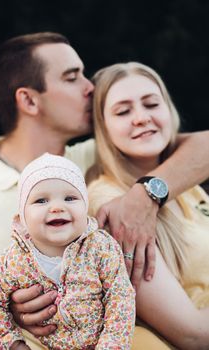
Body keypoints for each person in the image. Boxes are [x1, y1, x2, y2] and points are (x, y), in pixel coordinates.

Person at [0, 32, 209, 350]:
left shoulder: (90, 157)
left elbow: (202, 146)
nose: (90, 87)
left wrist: (146, 194)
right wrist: (5, 304)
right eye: (73, 78)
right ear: (29, 100)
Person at [87, 61, 209, 349]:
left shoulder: (182, 181)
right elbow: (193, 335)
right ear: (102, 127)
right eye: (123, 111)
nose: (141, 118)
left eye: (152, 104)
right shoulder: (109, 205)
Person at [0, 153, 135, 350]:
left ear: (85, 206)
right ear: (23, 215)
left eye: (70, 198)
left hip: (102, 342)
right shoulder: (13, 260)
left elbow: (120, 297)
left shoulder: (100, 248)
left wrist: (111, 345)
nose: (57, 207)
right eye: (41, 201)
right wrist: (12, 342)